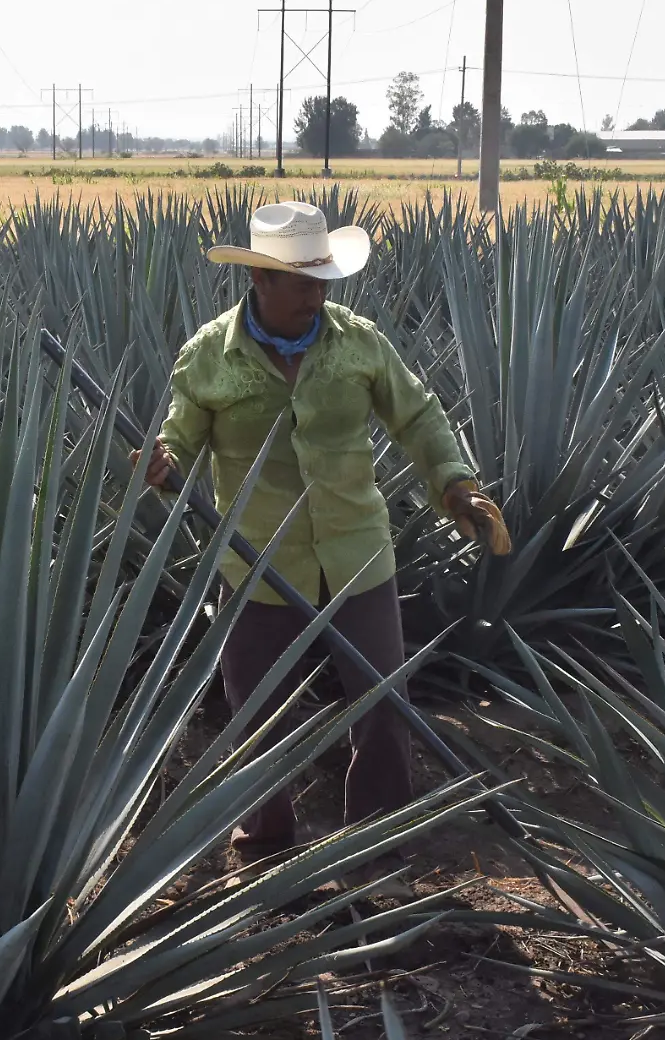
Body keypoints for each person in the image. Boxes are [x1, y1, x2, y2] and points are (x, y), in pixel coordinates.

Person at [136, 201, 503, 879]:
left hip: (357, 554)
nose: (319, 292)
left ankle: (378, 844)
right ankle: (265, 850)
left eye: (323, 278)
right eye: (303, 280)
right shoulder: (208, 359)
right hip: (258, 564)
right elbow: (179, 441)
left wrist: (455, 484)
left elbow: (419, 418)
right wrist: (160, 466)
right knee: (259, 716)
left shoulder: (358, 343)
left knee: (384, 707)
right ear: (262, 282)